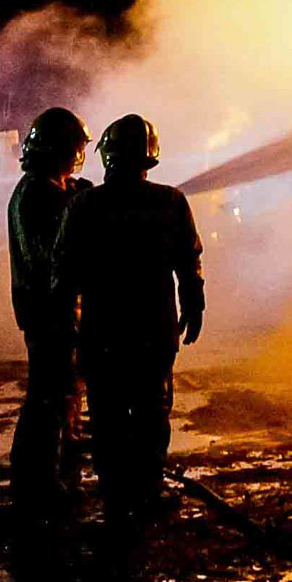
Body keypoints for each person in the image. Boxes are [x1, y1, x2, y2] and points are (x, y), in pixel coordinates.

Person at [55, 113, 204, 532]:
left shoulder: (85, 205)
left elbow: (63, 270)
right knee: (152, 412)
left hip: (103, 330)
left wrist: (65, 323)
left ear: (107, 154)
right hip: (154, 330)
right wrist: (194, 306)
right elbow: (188, 262)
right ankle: (147, 489)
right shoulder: (171, 202)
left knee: (107, 414)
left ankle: (116, 495)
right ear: (149, 157)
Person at [7, 107, 91, 512]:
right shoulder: (40, 195)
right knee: (51, 400)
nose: (77, 158)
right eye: (74, 149)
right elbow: (55, 252)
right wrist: (77, 204)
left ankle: (48, 479)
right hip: (51, 312)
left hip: (47, 311)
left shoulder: (38, 190)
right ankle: (41, 484)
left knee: (57, 397)